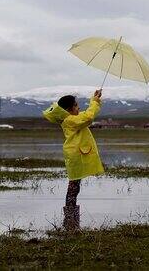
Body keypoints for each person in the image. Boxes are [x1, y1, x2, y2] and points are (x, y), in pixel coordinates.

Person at [42, 89, 105, 230]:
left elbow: (87, 114)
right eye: (76, 105)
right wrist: (94, 102)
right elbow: (88, 117)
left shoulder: (71, 119)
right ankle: (70, 220)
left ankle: (70, 219)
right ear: (69, 110)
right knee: (73, 187)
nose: (79, 107)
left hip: (75, 156)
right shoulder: (71, 120)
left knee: (74, 187)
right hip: (76, 156)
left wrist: (95, 100)